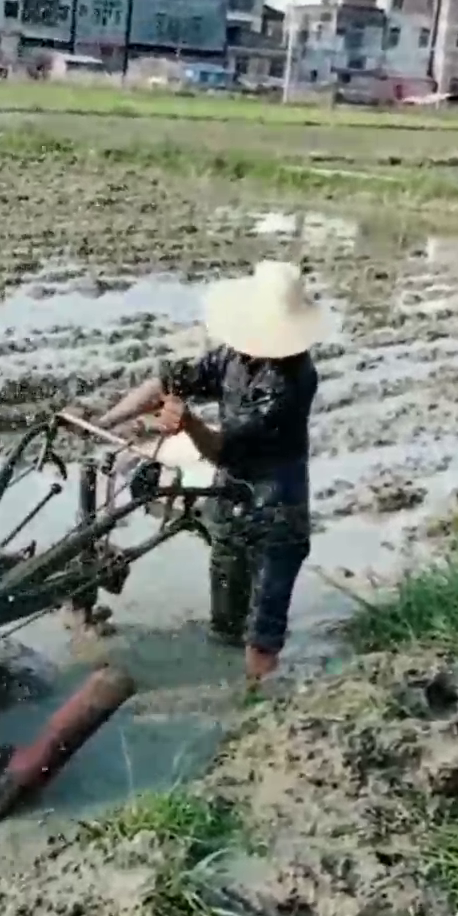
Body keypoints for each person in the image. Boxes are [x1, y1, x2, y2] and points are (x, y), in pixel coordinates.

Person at [96, 260, 329, 680]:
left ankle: (256, 705)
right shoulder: (234, 358)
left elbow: (223, 449)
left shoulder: (290, 383)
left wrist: (188, 423)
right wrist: (103, 423)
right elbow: (169, 382)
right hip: (229, 501)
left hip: (275, 513)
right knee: (224, 624)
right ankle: (227, 675)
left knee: (263, 631)